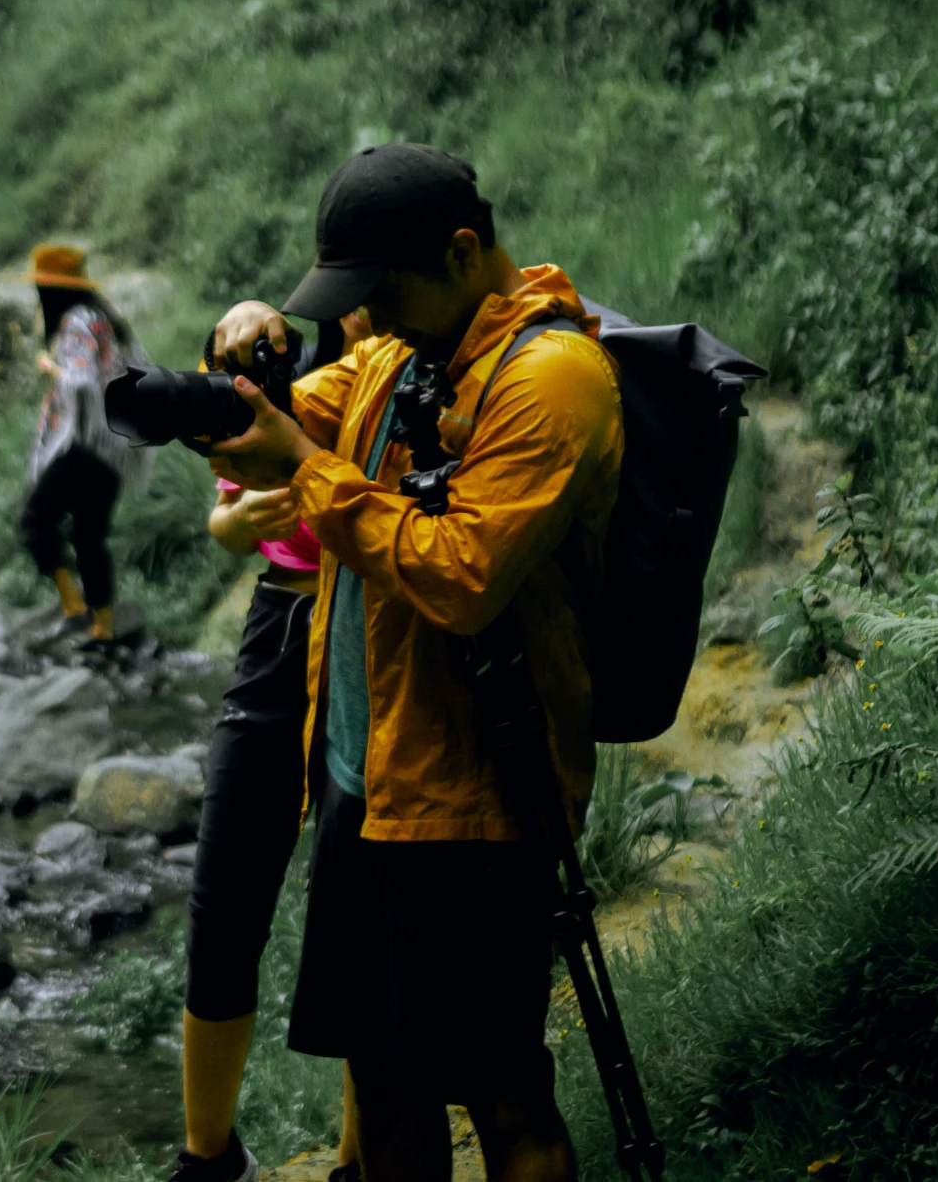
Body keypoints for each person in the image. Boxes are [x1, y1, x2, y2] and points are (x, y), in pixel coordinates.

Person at [205, 144, 625, 1182]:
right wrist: (211, 386)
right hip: (366, 779)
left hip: (476, 798)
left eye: (379, 290)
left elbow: (462, 574)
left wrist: (305, 474)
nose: (368, 317)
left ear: (462, 251)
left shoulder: (554, 379)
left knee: (503, 1099)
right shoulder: (402, 355)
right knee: (383, 1085)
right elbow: (277, 427)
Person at [176, 311, 370, 1182]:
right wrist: (250, 511)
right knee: (223, 890)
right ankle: (208, 1156)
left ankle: (361, 1158)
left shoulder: (403, 373)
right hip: (284, 616)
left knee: (361, 897)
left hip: (376, 623)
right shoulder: (287, 377)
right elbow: (224, 523)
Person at [19, 243, 148, 641]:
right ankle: (103, 629)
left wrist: (49, 366)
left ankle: (74, 606)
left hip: (86, 444)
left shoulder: (77, 321)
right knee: (88, 536)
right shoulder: (107, 321)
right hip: (114, 445)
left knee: (35, 521)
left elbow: (81, 378)